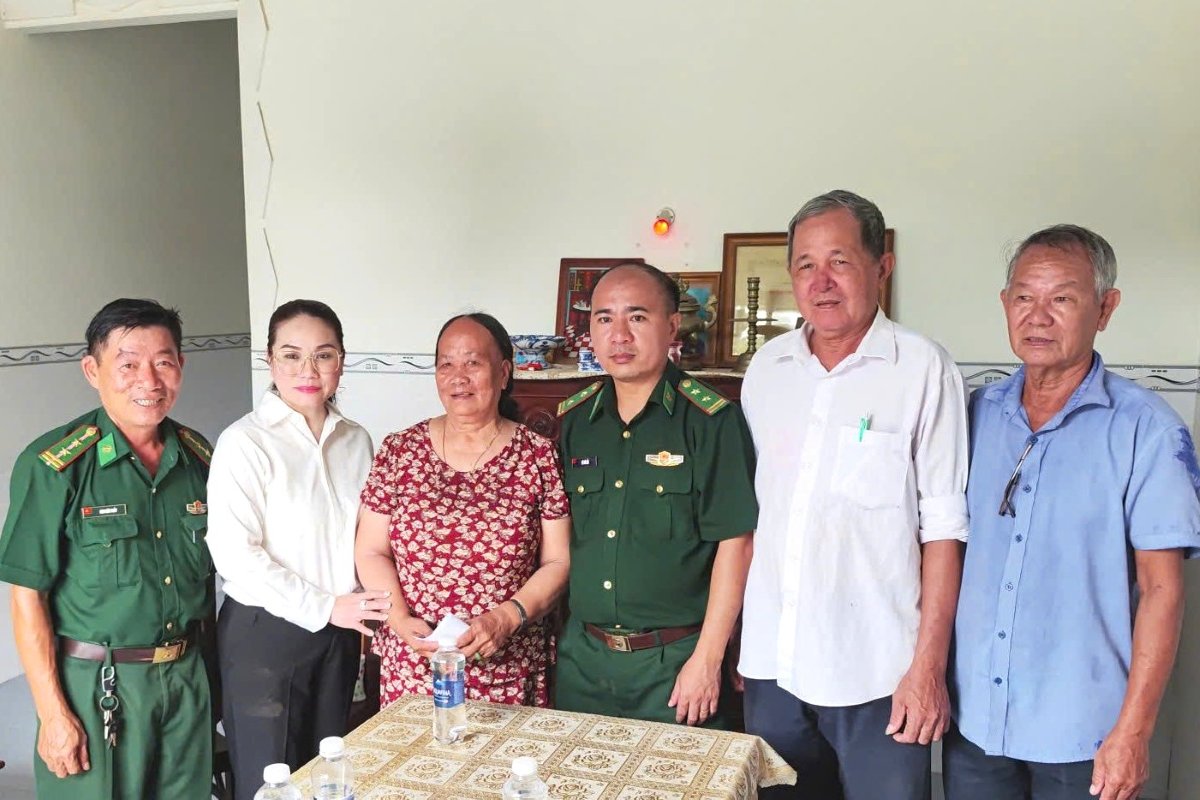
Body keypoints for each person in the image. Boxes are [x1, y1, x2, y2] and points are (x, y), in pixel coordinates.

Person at [945, 225, 1200, 800]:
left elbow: (1163, 591)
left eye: (1062, 298)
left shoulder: (1148, 431)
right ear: (1005, 305)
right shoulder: (972, 416)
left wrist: (1133, 732)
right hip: (976, 722)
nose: (1038, 316)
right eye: (1024, 297)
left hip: (1085, 734)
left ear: (1105, 308)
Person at [738, 190, 969, 799]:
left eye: (839, 260)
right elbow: (759, 516)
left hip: (879, 671)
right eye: (805, 264)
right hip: (774, 664)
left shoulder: (923, 369)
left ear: (880, 266)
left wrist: (927, 669)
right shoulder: (767, 371)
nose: (821, 281)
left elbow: (944, 530)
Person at [0, 298, 217, 799]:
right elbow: (26, 597)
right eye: (128, 364)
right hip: (95, 685)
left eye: (163, 361)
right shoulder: (53, 466)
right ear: (92, 371)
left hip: (184, 679)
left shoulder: (199, 460)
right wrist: (53, 714)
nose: (149, 380)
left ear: (181, 366)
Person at [554, 262, 757, 728]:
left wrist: (707, 660)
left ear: (670, 327)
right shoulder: (577, 422)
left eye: (637, 317)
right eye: (604, 318)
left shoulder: (711, 420)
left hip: (676, 664)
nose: (619, 334)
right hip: (584, 662)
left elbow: (737, 543)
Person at [206, 300, 390, 800]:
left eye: (323, 355)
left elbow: (368, 540)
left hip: (339, 635)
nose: (308, 371)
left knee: (328, 773)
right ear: (270, 361)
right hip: (266, 637)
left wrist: (365, 610)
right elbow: (234, 555)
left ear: (342, 361)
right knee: (272, 782)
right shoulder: (245, 442)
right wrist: (328, 606)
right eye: (292, 355)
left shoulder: (357, 440)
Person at [355, 312, 570, 706]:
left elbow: (558, 561)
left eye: (473, 362)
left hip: (509, 664)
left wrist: (507, 617)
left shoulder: (537, 455)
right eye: (446, 364)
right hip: (416, 662)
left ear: (504, 373)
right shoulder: (399, 451)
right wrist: (399, 619)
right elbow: (370, 549)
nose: (458, 377)